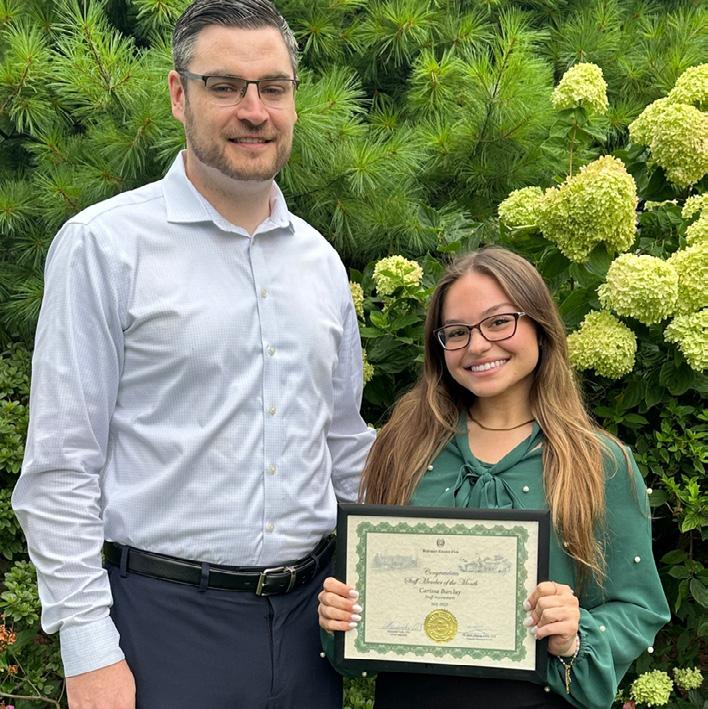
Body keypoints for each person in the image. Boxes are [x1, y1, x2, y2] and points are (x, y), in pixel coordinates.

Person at [12, 1, 375, 707]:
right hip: (162, 628)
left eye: (273, 87)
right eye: (225, 86)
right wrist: (87, 648)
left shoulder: (321, 263)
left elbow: (342, 446)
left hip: (310, 629)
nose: (254, 110)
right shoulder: (104, 247)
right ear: (180, 95)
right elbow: (61, 466)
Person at [318, 247, 670, 709]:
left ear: (540, 325)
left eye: (499, 321)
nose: (478, 345)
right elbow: (361, 605)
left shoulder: (599, 462)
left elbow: (638, 608)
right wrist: (340, 615)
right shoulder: (402, 447)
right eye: (457, 332)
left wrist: (574, 634)